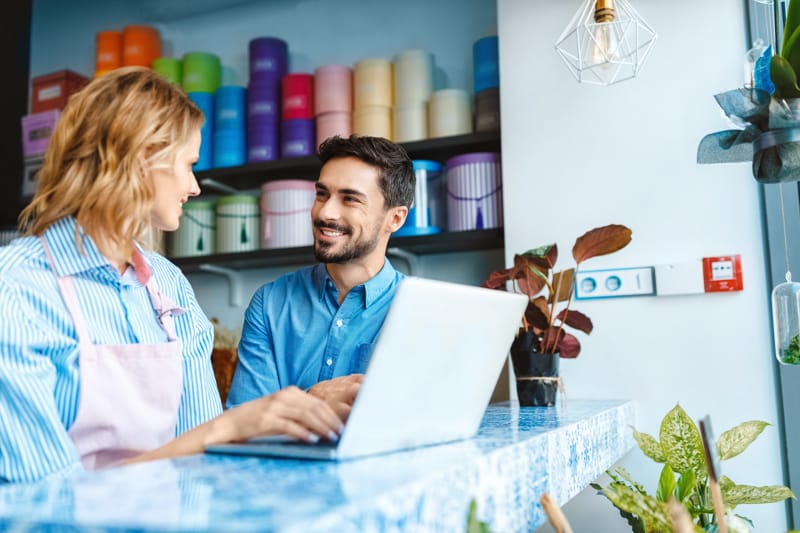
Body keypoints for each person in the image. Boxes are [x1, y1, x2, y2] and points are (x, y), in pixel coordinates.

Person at [0, 67, 346, 484]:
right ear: (142, 157)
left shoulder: (167, 284)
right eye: (188, 165)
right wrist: (227, 429)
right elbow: (42, 500)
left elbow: (199, 469)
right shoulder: (17, 289)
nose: (195, 186)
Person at [226, 135, 415, 417]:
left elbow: (420, 423)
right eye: (322, 194)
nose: (325, 211)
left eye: (350, 199)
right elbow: (240, 425)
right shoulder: (270, 303)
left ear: (395, 219)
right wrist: (313, 401)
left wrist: (294, 408)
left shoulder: (420, 309)